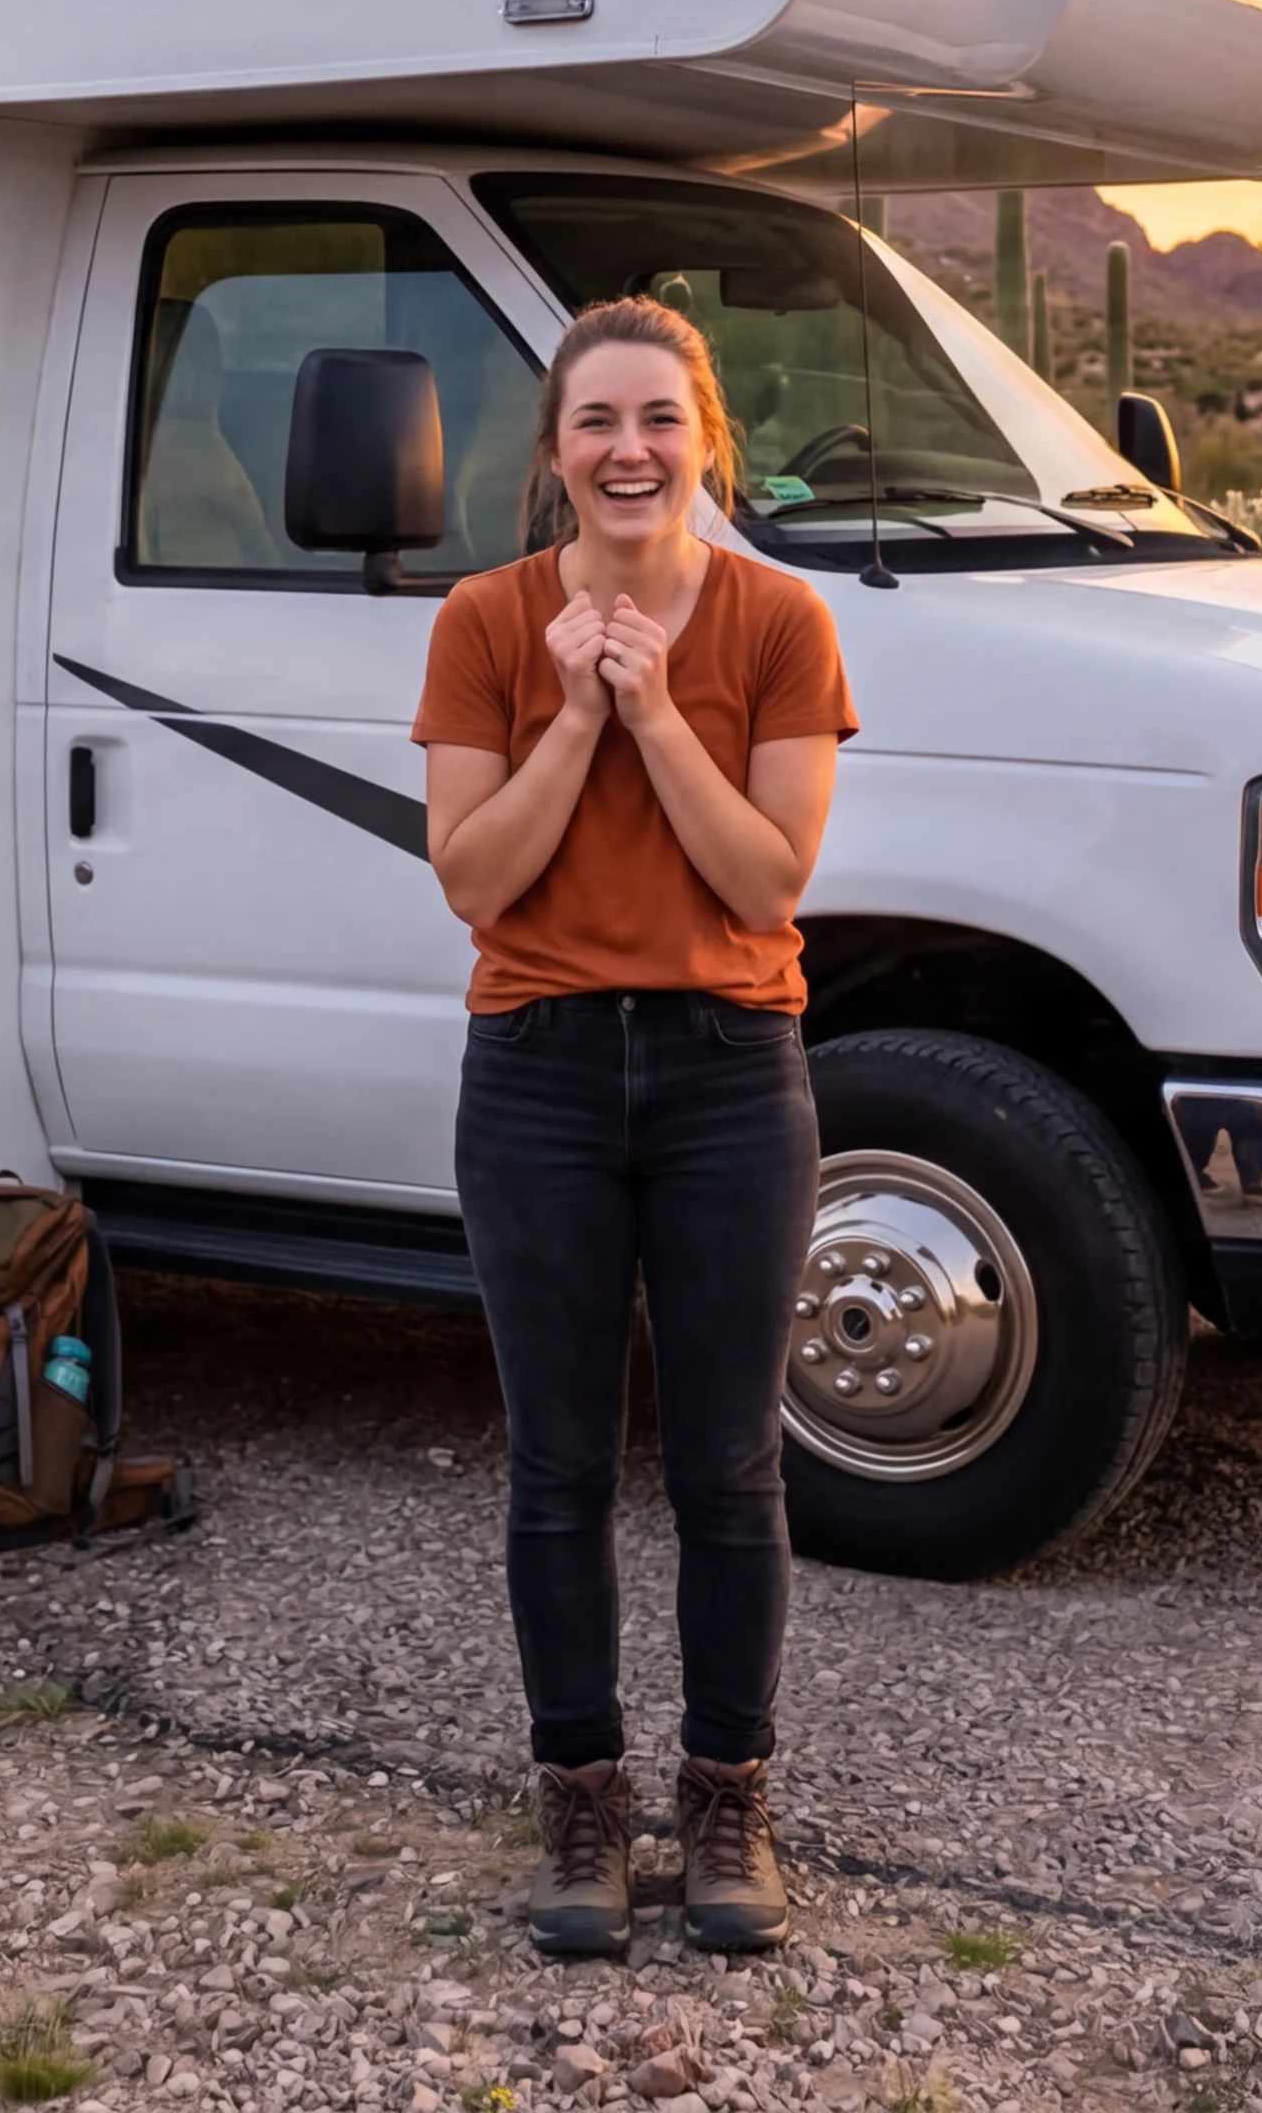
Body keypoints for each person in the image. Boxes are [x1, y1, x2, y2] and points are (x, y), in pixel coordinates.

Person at [414, 298, 853, 1960]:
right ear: (553, 455)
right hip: (533, 1067)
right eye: (596, 421)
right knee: (559, 1467)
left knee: (733, 1463)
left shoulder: (780, 624)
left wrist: (656, 705)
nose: (629, 450)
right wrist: (578, 709)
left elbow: (766, 878)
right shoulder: (480, 623)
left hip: (732, 1069)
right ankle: (583, 1804)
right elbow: (473, 878)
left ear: (706, 441)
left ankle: (727, 1801)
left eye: (659, 419)